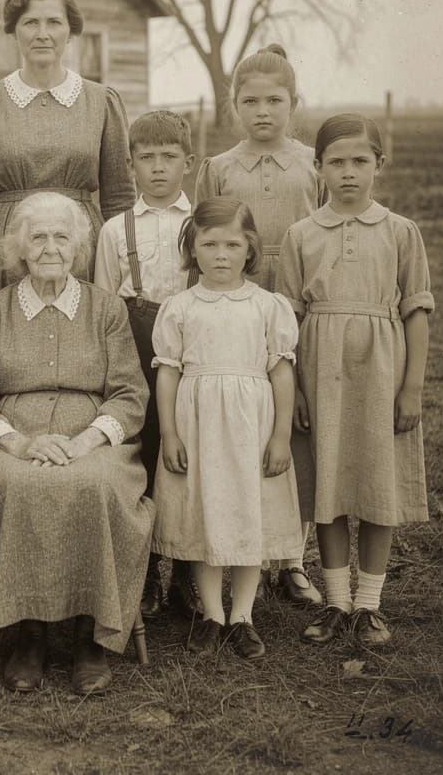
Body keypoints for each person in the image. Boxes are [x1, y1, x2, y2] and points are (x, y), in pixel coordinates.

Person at [0, 192, 153, 695]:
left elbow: (131, 393)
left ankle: (92, 636)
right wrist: (20, 445)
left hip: (95, 440)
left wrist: (87, 440)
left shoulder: (106, 309)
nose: (49, 247)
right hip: (12, 442)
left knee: (95, 485)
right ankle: (29, 633)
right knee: (20, 485)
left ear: (78, 247)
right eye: (38, 237)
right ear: (19, 249)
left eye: (61, 237)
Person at [278, 115, 432, 648]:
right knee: (330, 482)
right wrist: (294, 387)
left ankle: (369, 605)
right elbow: (288, 320)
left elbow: (416, 313)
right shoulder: (300, 234)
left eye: (359, 161)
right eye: (336, 162)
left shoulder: (400, 231)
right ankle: (336, 601)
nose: (348, 172)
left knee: (377, 482)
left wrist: (411, 386)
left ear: (378, 167)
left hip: (381, 371)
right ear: (318, 168)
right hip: (319, 370)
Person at [193, 43, 323, 606]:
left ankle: (291, 555)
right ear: (233, 105)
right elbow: (198, 241)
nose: (263, 111)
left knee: (293, 425)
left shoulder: (313, 165)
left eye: (275, 100)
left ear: (295, 102)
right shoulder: (219, 169)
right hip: (232, 315)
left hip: (299, 310)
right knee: (234, 426)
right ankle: (225, 548)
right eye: (251, 101)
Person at [0, 0, 134, 362]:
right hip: (5, 253)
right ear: (14, 31)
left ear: (71, 32)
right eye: (31, 23)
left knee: (83, 359)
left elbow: (120, 201)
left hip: (82, 252)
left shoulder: (102, 102)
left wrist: (126, 273)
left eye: (54, 23)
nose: (43, 34)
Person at [151, 197, 302, 659]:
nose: (221, 254)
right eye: (209, 244)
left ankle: (243, 616)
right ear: (191, 250)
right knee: (206, 513)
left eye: (232, 245)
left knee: (247, 513)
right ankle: (212, 614)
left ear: (250, 248)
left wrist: (279, 436)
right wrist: (170, 434)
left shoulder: (268, 307)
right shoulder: (179, 307)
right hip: (197, 427)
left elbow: (281, 373)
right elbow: (168, 372)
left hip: (251, 428)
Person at [93, 110, 202, 619]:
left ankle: (185, 572)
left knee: (187, 455)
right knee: (142, 450)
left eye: (169, 157)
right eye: (146, 158)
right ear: (130, 165)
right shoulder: (116, 229)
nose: (158, 168)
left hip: (192, 348)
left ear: (189, 163)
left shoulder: (201, 225)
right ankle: (144, 574)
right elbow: (104, 304)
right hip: (136, 343)